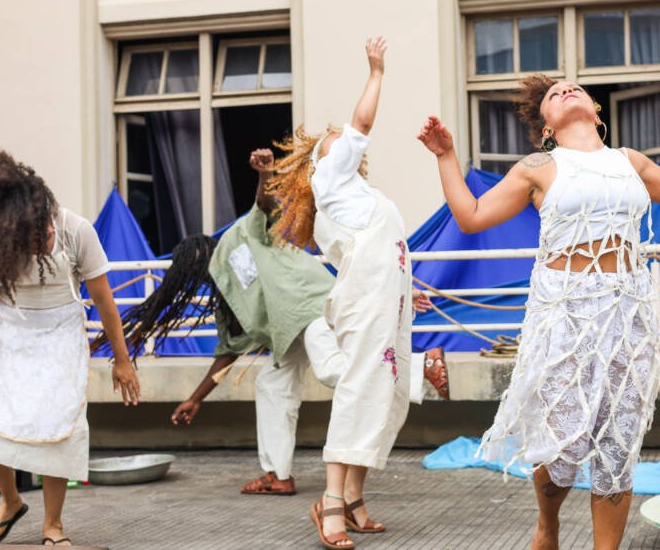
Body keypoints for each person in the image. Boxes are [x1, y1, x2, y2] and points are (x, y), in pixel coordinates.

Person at [417, 78, 660, 550]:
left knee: (619, 442)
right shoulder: (539, 166)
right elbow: (472, 216)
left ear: (595, 108)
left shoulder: (628, 161)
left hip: (627, 315)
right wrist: (445, 157)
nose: (566, 90)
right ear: (545, 125)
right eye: (553, 93)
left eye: (574, 87)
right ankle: (548, 524)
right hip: (564, 313)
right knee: (562, 443)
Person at [104, 148, 445, 500]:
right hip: (289, 333)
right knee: (271, 385)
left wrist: (265, 175)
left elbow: (263, 208)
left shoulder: (238, 238)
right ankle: (277, 475)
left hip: (310, 307)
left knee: (331, 369)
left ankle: (419, 368)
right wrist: (195, 400)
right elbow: (227, 354)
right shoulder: (224, 292)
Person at [0, 148, 140, 547]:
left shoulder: (76, 230)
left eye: (43, 234)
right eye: (28, 240)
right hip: (9, 332)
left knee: (59, 427)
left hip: (62, 331)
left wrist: (122, 360)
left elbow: (104, 301)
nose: (39, 244)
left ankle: (53, 525)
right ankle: (11, 502)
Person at [269, 37, 416, 549]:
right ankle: (331, 501)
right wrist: (376, 72)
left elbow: (379, 256)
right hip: (365, 302)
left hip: (384, 300)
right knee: (361, 388)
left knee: (388, 393)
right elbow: (363, 125)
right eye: (333, 136)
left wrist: (405, 293)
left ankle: (353, 499)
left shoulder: (356, 196)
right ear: (317, 160)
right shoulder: (328, 173)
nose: (341, 136)